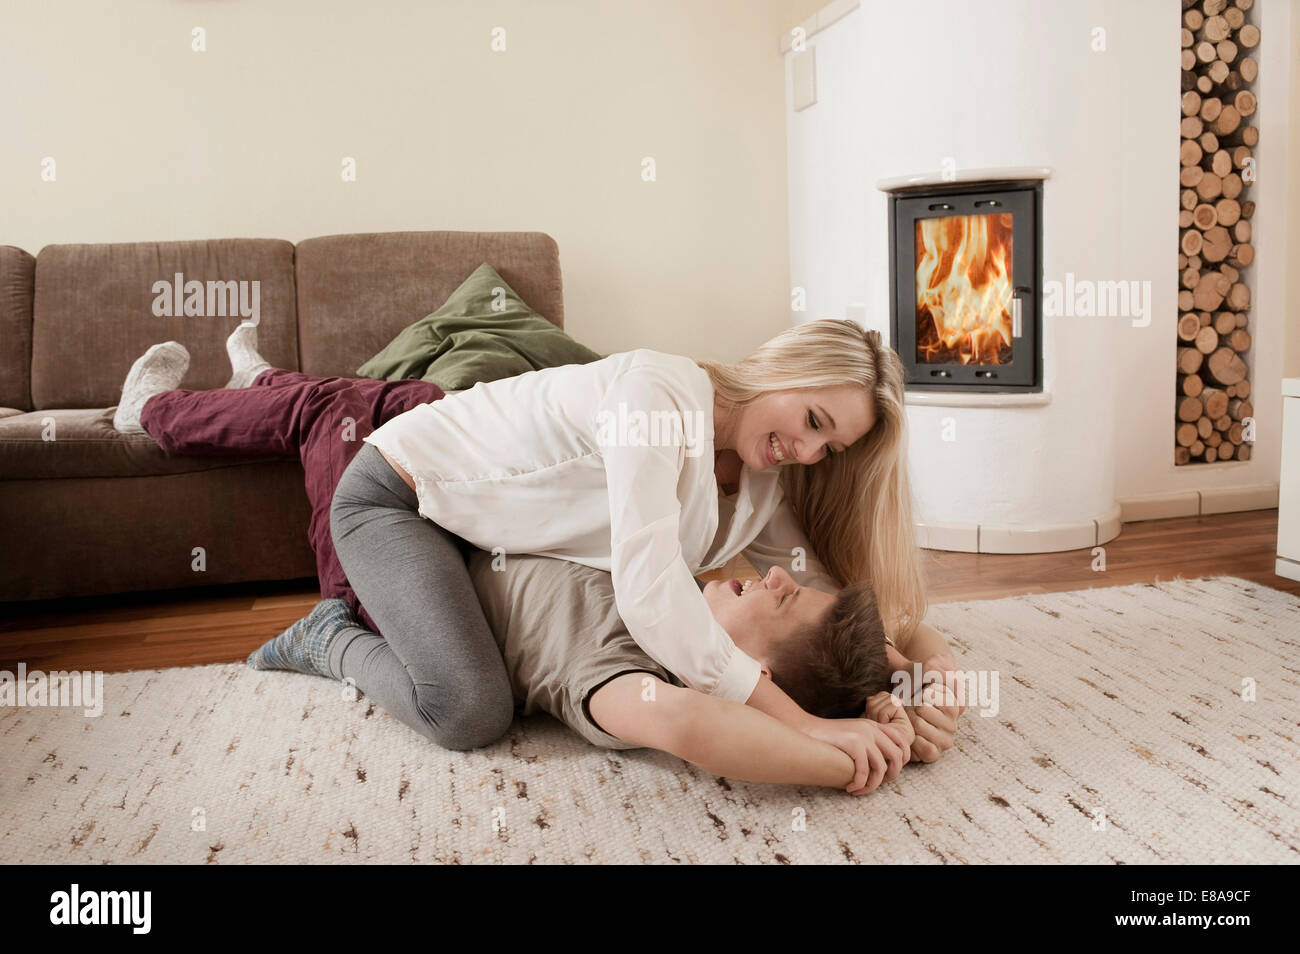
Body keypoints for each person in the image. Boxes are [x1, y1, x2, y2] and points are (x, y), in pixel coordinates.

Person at [113, 317, 959, 790]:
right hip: (396, 496)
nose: (810, 453)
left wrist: (910, 675)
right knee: (470, 712)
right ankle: (326, 637)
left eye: (831, 448)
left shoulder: (766, 486)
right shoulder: (660, 393)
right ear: (782, 368)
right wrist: (801, 723)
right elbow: (648, 584)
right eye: (814, 420)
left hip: (480, 531)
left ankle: (269, 384)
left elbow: (825, 601)